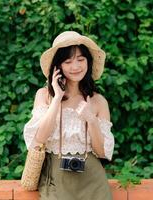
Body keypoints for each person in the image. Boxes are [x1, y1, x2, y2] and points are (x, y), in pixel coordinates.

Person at [23, 31, 115, 200]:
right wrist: (57, 98)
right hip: (56, 178)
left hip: (92, 181)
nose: (76, 66)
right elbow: (38, 139)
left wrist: (91, 119)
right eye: (68, 61)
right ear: (58, 67)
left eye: (81, 59)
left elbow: (103, 153)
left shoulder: (98, 101)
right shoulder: (44, 96)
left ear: (88, 61)